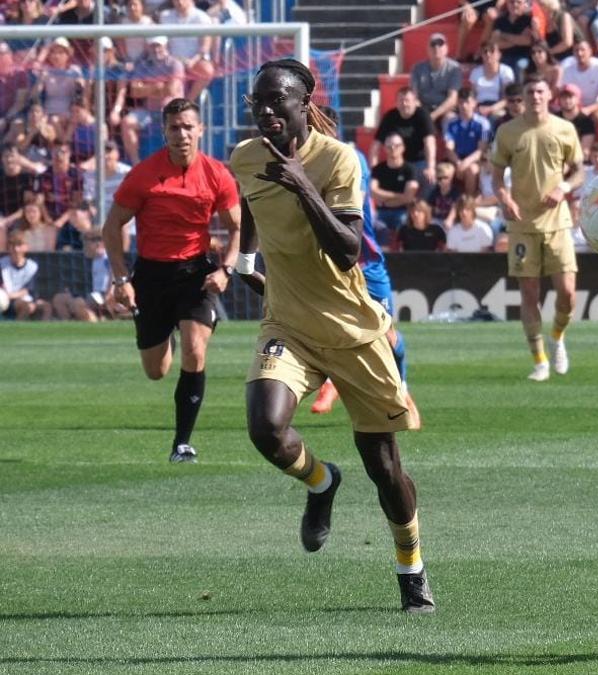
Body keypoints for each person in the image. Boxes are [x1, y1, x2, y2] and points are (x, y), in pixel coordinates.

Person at [229, 59, 435, 613]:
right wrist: (245, 259)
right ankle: (321, 482)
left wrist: (301, 186)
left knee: (385, 467)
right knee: (266, 429)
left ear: (305, 103)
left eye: (278, 101)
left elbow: (348, 247)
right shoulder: (245, 158)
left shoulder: (338, 159)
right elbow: (250, 202)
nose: (266, 111)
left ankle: (411, 568)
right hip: (287, 323)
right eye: (258, 103)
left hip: (350, 327)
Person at [101, 98, 240, 464]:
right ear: (164, 131)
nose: (181, 134)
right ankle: (162, 331)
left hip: (195, 273)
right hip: (151, 275)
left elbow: (237, 227)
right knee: (156, 370)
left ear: (200, 130)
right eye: (174, 127)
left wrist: (225, 270)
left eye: (187, 126)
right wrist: (120, 278)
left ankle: (182, 444)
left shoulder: (217, 174)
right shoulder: (143, 175)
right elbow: (111, 226)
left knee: (196, 349)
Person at [309, 105, 420, 429]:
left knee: (386, 336)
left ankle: (403, 390)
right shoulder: (306, 161)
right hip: (330, 262)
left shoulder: (349, 157)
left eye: (320, 124)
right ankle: (333, 383)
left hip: (365, 261)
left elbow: (348, 209)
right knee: (328, 328)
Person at [491, 74, 584, 381]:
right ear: (524, 96)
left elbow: (580, 171)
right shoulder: (508, 132)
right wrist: (504, 197)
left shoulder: (564, 129)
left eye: (540, 91)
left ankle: (557, 336)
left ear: (549, 95)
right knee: (529, 294)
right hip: (521, 225)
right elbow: (496, 174)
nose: (535, 96)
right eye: (529, 91)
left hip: (557, 223)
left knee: (567, 293)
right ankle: (540, 360)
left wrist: (564, 188)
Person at [372, 89, 437, 185]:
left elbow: (430, 143)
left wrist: (431, 167)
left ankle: (423, 200)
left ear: (415, 102)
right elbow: (375, 146)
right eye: (401, 100)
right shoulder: (390, 116)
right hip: (397, 162)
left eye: (407, 100)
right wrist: (374, 170)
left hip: (419, 161)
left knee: (431, 181)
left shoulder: (423, 115)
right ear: (396, 103)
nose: (404, 104)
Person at [369, 134, 421, 245]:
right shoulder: (378, 169)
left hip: (403, 211)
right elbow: (373, 192)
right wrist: (400, 196)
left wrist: (384, 199)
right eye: (389, 146)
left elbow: (409, 197)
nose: (393, 149)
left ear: (403, 148)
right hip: (381, 211)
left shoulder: (410, 169)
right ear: (384, 148)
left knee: (404, 226)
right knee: (375, 228)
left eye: (396, 145)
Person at [443, 88, 492, 195]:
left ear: (474, 103)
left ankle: (468, 203)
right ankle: (446, 203)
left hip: (474, 160)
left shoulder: (483, 124)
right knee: (445, 171)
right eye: (461, 102)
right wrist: (458, 163)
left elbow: (481, 150)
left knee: (472, 170)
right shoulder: (451, 123)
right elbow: (449, 148)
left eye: (467, 102)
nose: (464, 106)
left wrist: (465, 163)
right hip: (456, 159)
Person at [410, 32, 463, 125]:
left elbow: (452, 99)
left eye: (440, 44)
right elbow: (414, 96)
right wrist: (424, 114)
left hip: (445, 110)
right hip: (424, 109)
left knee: (451, 119)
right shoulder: (417, 69)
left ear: (446, 48)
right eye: (433, 45)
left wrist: (434, 115)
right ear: (427, 49)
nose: (436, 48)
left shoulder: (454, 68)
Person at [1, 230, 52, 319]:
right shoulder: (2, 264)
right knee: (26, 307)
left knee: (46, 307)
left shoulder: (32, 266)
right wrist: (7, 294)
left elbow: (27, 290)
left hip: (24, 298)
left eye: (19, 245)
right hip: (8, 300)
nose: (16, 249)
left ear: (26, 247)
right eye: (12, 245)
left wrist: (34, 302)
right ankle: (16, 330)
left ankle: (43, 331)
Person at [559, 39, 598, 117]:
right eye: (576, 50)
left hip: (594, 106)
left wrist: (588, 110)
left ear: (590, 51)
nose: (579, 53)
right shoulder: (567, 66)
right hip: (572, 106)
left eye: (583, 50)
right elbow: (561, 93)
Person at [555, 84, 596, 153]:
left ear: (578, 99)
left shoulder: (586, 121)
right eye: (564, 97)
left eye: (570, 97)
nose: (567, 100)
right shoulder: (554, 119)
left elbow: (585, 149)